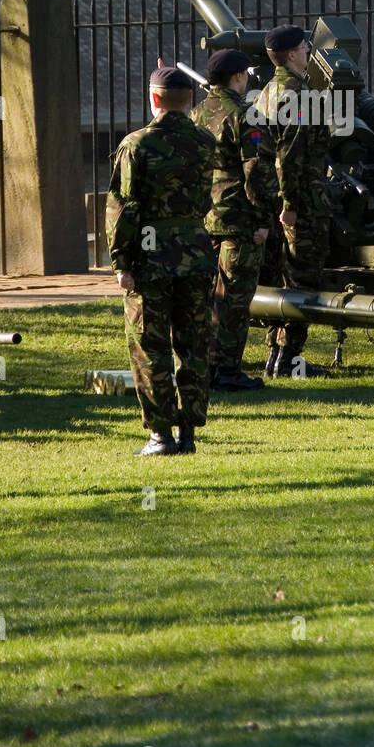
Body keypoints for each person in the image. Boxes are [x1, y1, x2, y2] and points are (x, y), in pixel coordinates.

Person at [105, 66, 217, 456]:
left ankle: (160, 434)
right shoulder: (206, 141)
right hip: (196, 252)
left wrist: (121, 263)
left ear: (154, 98)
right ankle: (189, 433)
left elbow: (124, 208)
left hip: (151, 257)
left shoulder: (136, 145)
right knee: (194, 345)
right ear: (190, 100)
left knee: (150, 347)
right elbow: (206, 201)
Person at [192, 48, 278, 392]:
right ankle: (226, 371)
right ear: (239, 76)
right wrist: (262, 218)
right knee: (235, 299)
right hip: (238, 219)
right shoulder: (247, 115)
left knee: (207, 296)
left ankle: (205, 366)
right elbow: (256, 171)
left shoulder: (196, 113)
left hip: (205, 216)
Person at [257, 24, 332, 378]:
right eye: (304, 46)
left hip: (275, 200)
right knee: (302, 277)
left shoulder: (267, 92)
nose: (308, 51)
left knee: (281, 276)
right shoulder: (299, 95)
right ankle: (289, 360)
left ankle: (276, 352)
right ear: (291, 55)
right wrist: (291, 205)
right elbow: (289, 156)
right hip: (302, 202)